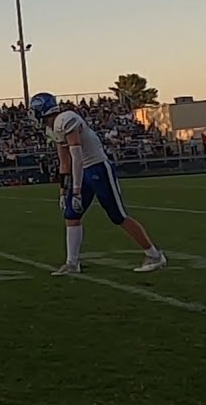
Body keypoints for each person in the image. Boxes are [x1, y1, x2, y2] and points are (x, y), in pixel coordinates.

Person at [30, 92, 167, 275]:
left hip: (98, 168)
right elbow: (65, 162)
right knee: (72, 215)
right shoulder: (52, 129)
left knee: (118, 216)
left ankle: (154, 255)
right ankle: (72, 263)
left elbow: (77, 156)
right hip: (83, 171)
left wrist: (76, 191)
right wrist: (63, 191)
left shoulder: (66, 119)